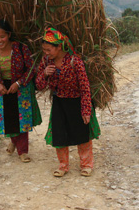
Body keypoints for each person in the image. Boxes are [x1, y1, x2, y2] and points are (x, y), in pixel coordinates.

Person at [36, 28, 100, 177]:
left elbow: (85, 87)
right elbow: (39, 85)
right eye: (44, 50)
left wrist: (85, 110)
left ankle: (86, 165)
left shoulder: (74, 61)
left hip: (76, 102)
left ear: (59, 47)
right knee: (60, 135)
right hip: (59, 102)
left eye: (49, 49)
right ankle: (63, 166)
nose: (46, 53)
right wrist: (45, 74)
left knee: (82, 135)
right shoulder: (46, 61)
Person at [0, 19, 41, 162]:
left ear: (9, 35)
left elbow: (31, 68)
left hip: (20, 88)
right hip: (3, 88)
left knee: (21, 119)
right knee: (8, 118)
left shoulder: (21, 49)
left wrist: (19, 82)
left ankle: (22, 151)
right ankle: (14, 141)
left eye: (2, 36)